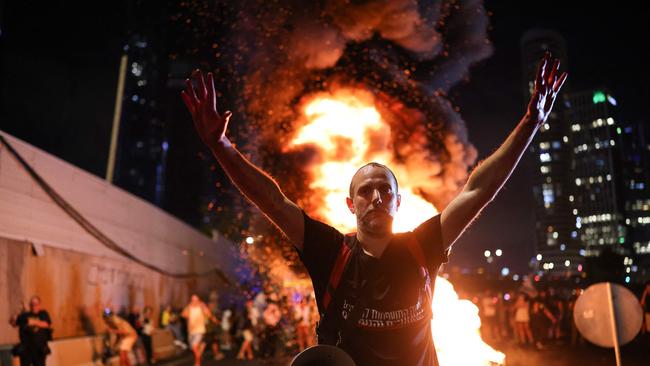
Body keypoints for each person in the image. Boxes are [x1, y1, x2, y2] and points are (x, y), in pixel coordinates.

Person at [181, 52, 567, 365]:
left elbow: (479, 189)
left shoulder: (423, 245)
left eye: (385, 190)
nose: (376, 197)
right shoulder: (330, 252)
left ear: (399, 202)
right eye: (365, 191)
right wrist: (222, 147)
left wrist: (531, 123)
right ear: (350, 204)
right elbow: (271, 200)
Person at [9, 296, 52, 366]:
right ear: (29, 305)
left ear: (39, 305)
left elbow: (46, 324)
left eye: (36, 304)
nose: (34, 306)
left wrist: (32, 322)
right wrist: (15, 317)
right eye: (32, 304)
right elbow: (13, 323)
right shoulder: (24, 315)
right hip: (26, 349)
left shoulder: (43, 313)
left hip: (39, 349)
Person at [182, 294, 218, 366]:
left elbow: (209, 315)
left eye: (196, 300)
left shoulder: (201, 307)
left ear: (199, 300)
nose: (194, 301)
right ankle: (198, 358)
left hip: (199, 330)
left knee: (194, 346)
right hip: (191, 330)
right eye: (192, 300)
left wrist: (204, 307)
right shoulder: (190, 307)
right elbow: (183, 315)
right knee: (194, 347)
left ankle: (197, 362)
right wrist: (188, 306)